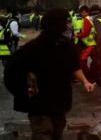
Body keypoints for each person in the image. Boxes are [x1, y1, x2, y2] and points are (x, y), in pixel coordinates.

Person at [3, 8, 94, 140]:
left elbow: (74, 67)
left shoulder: (67, 47)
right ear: (57, 25)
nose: (69, 26)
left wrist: (85, 82)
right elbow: (11, 70)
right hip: (39, 105)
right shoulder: (33, 48)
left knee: (57, 133)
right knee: (43, 134)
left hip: (59, 103)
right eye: (66, 22)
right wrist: (23, 91)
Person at [76, 6, 96, 80]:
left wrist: (78, 36)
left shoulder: (86, 20)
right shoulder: (90, 19)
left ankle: (89, 76)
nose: (82, 14)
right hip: (92, 43)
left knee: (82, 61)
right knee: (93, 61)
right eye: (81, 12)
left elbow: (86, 33)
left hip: (89, 44)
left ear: (87, 12)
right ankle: (93, 75)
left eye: (84, 12)